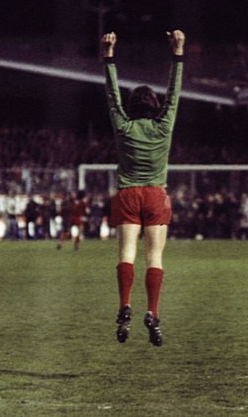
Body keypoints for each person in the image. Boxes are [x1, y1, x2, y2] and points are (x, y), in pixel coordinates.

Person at [103, 29, 184, 347]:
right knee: (155, 257)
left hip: (127, 194)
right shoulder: (164, 125)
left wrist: (108, 57)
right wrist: (178, 53)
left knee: (126, 253)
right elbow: (174, 93)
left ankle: (125, 303)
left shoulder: (122, 126)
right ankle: (153, 311)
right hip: (155, 194)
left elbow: (112, 96)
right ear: (155, 104)